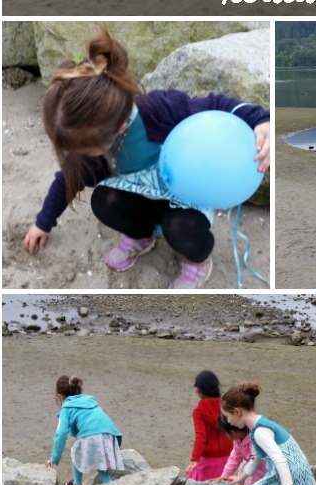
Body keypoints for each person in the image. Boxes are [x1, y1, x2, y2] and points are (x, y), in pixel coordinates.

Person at [22, 24, 271, 290]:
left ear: (115, 129)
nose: (78, 154)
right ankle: (142, 236)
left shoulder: (159, 109)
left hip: (185, 194)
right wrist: (43, 222)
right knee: (104, 200)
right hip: (141, 193)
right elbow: (66, 180)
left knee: (179, 228)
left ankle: (198, 262)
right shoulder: (90, 145)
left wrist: (260, 120)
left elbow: (216, 105)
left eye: (83, 148)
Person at [221, 382, 316, 485]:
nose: (229, 422)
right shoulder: (257, 426)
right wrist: (241, 478)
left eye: (228, 417)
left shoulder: (259, 431)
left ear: (237, 412)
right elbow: (256, 457)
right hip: (288, 471)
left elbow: (280, 460)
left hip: (290, 474)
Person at [46, 375, 124, 485]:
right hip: (109, 434)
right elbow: (101, 420)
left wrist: (54, 458)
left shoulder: (66, 408)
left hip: (92, 436)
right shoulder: (89, 401)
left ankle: (77, 484)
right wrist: (116, 446)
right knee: (99, 460)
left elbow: (61, 434)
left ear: (60, 396)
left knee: (75, 451)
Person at [186, 371, 232, 481]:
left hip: (208, 457)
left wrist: (194, 459)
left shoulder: (199, 411)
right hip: (227, 453)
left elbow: (201, 436)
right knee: (222, 481)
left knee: (200, 482)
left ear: (198, 390)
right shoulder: (227, 406)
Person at [217, 415, 267, 485]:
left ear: (232, 432)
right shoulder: (238, 438)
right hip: (252, 462)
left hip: (265, 467)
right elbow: (235, 456)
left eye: (225, 433)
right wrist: (225, 475)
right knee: (243, 467)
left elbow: (259, 468)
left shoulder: (254, 439)